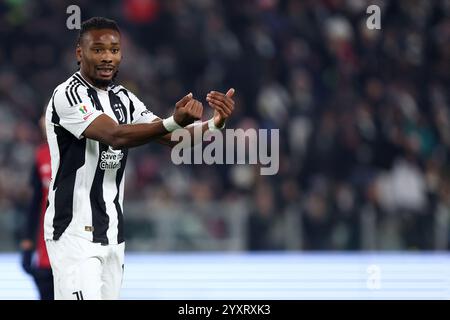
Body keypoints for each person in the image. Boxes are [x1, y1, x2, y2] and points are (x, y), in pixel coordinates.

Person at [44, 17, 235, 300]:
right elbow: (116, 136)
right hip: (74, 235)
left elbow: (171, 138)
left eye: (114, 50)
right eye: (98, 50)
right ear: (79, 53)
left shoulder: (124, 98)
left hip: (112, 234)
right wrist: (173, 121)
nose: (108, 57)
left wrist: (214, 124)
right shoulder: (68, 95)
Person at [20, 116, 54, 300]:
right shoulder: (41, 155)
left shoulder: (79, 152)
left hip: (73, 249)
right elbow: (34, 203)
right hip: (44, 250)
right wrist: (27, 244)